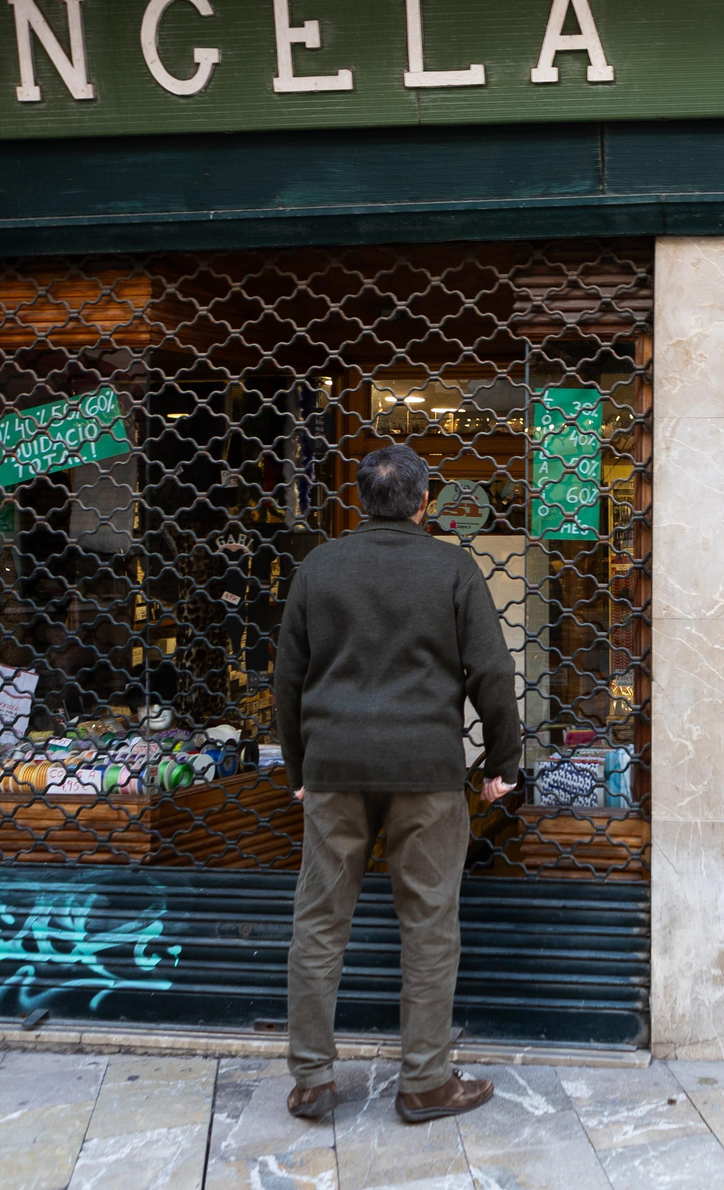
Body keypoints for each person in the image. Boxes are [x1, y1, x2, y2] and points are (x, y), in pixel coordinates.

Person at [273, 444, 520, 1123]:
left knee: (320, 923)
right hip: (426, 772)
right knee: (430, 925)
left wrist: (300, 769)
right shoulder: (452, 566)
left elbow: (288, 681)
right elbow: (492, 674)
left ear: (361, 501)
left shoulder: (319, 566)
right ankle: (425, 1083)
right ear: (424, 503)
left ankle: (313, 1081)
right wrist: (503, 762)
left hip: (335, 769)